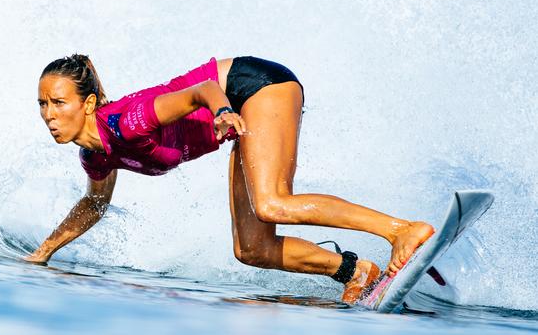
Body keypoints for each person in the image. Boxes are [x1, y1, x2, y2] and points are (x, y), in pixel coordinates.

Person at [27, 54, 435, 304]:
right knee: (252, 248)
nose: (49, 114)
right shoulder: (97, 153)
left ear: (89, 103)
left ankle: (401, 231)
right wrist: (43, 252)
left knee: (272, 202)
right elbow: (94, 204)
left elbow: (201, 90)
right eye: (43, 104)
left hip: (252, 86)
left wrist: (222, 112)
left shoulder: (126, 122)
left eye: (59, 102)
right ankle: (355, 272)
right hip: (239, 108)